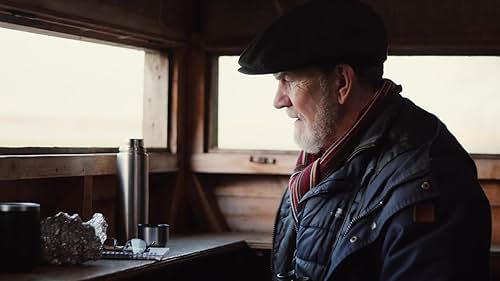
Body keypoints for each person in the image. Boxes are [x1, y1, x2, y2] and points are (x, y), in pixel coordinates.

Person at [237, 0, 492, 280]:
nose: (278, 100)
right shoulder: (322, 161)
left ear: (342, 83)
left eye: (289, 80)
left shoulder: (428, 178)